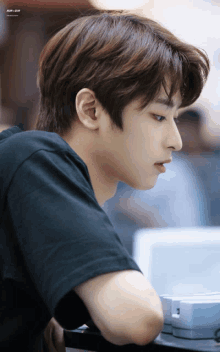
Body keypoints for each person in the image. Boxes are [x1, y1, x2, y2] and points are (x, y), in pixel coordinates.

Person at [0, 11, 210, 352]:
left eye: (175, 119)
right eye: (158, 116)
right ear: (91, 110)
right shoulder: (34, 156)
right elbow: (135, 318)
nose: (176, 140)